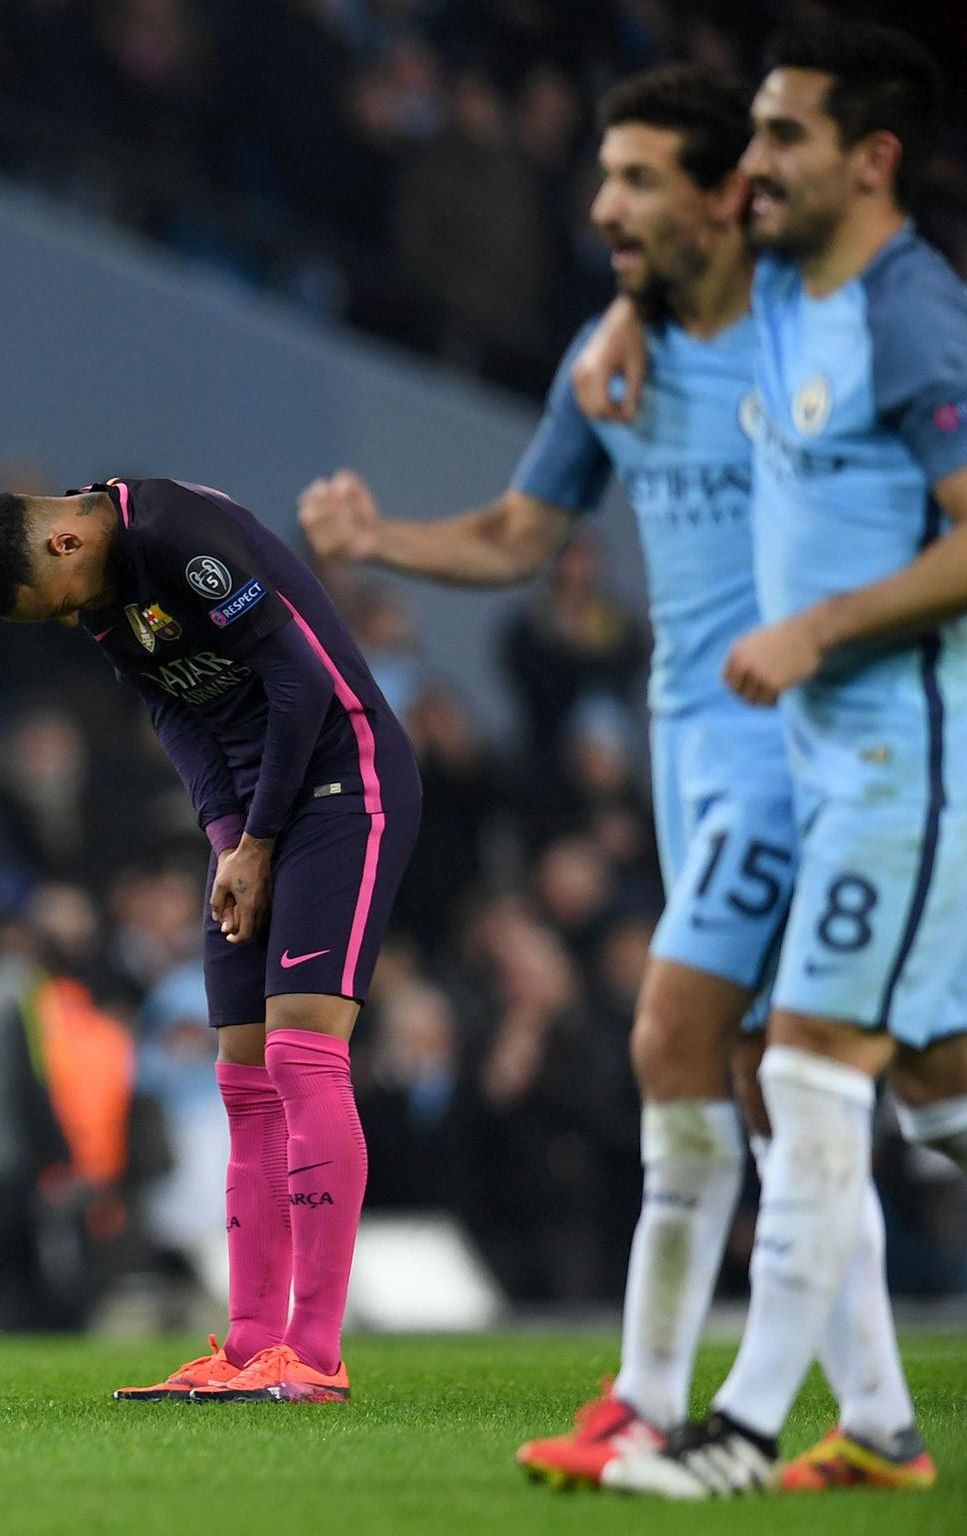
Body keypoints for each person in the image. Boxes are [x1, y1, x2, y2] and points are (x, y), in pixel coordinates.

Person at [302, 63, 912, 1490]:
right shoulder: (610, 356)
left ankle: (651, 1397)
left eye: (640, 179)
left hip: (801, 746)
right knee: (782, 1082)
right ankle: (878, 1421)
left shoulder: (824, 333)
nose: (604, 206)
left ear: (723, 195)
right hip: (688, 745)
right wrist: (382, 535)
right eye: (605, 175)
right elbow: (523, 531)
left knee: (685, 1047)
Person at [569, 20, 967, 1497]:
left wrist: (821, 631)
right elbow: (694, 270)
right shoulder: (804, 291)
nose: (753, 166)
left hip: (895, 759)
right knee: (933, 1095)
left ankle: (728, 1431)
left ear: (871, 160)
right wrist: (633, 314)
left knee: (797, 1072)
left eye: (782, 139)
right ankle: (873, 1429)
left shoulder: (909, 318)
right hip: (822, 762)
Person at [0, 477, 419, 1403]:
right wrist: (227, 845)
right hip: (254, 821)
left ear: (62, 547)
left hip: (342, 782)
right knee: (244, 1079)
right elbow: (175, 712)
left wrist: (260, 839)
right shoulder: (106, 602)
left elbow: (300, 684)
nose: (62, 623)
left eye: (49, 608)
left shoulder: (177, 535)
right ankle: (250, 1347)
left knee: (301, 1056)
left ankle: (315, 1357)